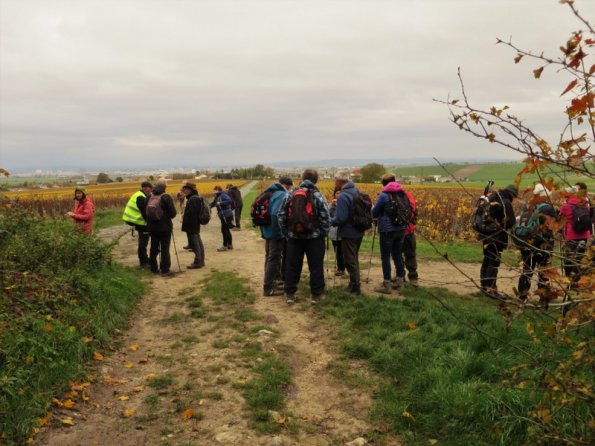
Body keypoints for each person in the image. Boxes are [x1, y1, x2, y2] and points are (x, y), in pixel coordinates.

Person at [278, 169, 330, 304]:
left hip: (294, 237)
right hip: (314, 238)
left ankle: (290, 293)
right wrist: (322, 233)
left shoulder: (290, 194)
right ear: (316, 180)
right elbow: (326, 217)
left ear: (302, 178)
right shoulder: (317, 195)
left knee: (292, 265)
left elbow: (281, 215)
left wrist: (287, 233)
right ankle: (316, 295)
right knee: (316, 266)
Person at [514, 183, 557, 302]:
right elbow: (556, 225)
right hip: (544, 242)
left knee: (527, 269)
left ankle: (522, 296)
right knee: (544, 271)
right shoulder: (548, 208)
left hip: (528, 242)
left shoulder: (528, 206)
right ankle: (543, 298)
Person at [371, 174, 409, 294]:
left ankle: (386, 284)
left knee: (385, 256)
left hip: (387, 230)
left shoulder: (384, 195)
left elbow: (374, 212)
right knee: (397, 254)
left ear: (384, 183)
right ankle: (400, 281)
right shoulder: (402, 193)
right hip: (401, 228)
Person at [477, 184, 518, 297]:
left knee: (487, 260)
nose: (514, 198)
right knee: (494, 263)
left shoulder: (492, 197)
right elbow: (510, 222)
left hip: (485, 234)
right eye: (514, 196)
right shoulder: (506, 202)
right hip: (497, 237)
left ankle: (484, 287)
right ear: (511, 193)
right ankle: (491, 289)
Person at [330, 170, 364, 294]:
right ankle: (354, 283)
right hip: (359, 230)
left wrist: (330, 221)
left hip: (348, 232)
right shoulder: (358, 191)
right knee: (354, 258)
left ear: (340, 181)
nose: (334, 182)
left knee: (349, 260)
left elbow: (341, 218)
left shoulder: (343, 196)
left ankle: (355, 287)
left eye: (335, 180)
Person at [260, 176, 293, 296]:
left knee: (269, 256)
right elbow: (275, 214)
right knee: (273, 258)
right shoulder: (281, 194)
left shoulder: (269, 191)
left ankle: (271, 282)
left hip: (267, 230)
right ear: (287, 185)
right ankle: (268, 288)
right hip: (275, 232)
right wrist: (280, 232)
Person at [560, 182, 592, 283]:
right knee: (579, 257)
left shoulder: (566, 206)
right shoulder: (584, 204)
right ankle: (578, 280)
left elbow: (560, 219)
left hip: (571, 235)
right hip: (584, 234)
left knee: (569, 258)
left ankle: (569, 279)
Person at [145, 179, 177, 276]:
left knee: (153, 247)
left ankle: (153, 268)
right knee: (164, 248)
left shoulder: (150, 196)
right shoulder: (166, 197)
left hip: (152, 227)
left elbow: (144, 210)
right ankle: (165, 269)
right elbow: (173, 213)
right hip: (165, 227)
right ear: (165, 186)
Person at [122, 181, 153, 267]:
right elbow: (145, 213)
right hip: (139, 222)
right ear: (146, 188)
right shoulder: (141, 197)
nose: (151, 191)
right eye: (150, 188)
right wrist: (151, 223)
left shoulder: (139, 194)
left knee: (143, 243)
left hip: (136, 221)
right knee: (143, 243)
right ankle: (144, 262)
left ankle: (145, 260)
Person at [181, 182, 205, 269]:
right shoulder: (194, 197)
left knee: (195, 244)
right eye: (185, 189)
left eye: (187, 189)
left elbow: (191, 214)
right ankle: (201, 261)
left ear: (191, 190)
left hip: (192, 225)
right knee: (198, 242)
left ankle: (198, 262)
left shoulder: (193, 199)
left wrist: (185, 222)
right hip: (194, 225)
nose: (185, 191)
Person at [401, 184, 419, 288]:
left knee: (397, 255)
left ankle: (400, 276)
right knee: (411, 255)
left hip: (397, 231)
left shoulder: (389, 196)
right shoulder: (409, 195)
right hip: (409, 230)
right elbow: (415, 212)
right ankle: (413, 278)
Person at [211, 185, 234, 251]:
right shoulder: (217, 196)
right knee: (226, 230)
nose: (214, 191)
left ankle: (225, 246)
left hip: (227, 215)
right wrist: (208, 206)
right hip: (223, 215)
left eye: (215, 190)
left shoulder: (223, 195)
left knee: (224, 230)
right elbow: (214, 203)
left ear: (218, 190)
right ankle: (230, 245)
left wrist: (221, 203)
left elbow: (229, 201)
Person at [328, 189, 346, 277]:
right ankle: (340, 267)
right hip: (334, 231)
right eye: (337, 193)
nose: (338, 195)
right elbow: (328, 216)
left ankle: (342, 268)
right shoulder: (331, 205)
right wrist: (332, 205)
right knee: (337, 250)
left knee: (341, 251)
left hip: (342, 231)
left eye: (340, 193)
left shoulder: (344, 204)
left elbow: (341, 217)